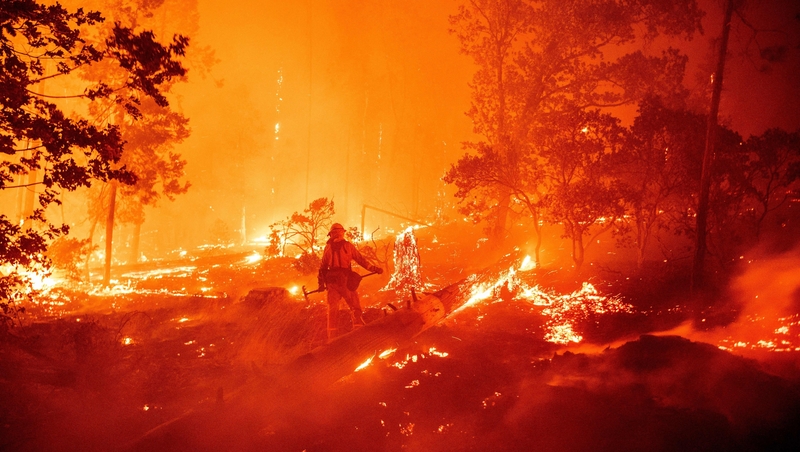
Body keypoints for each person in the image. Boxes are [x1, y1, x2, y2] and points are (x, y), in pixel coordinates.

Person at [318, 223, 383, 341]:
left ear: (331, 234)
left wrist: (321, 284)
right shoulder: (347, 246)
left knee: (332, 311)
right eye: (338, 232)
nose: (338, 234)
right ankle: (359, 335)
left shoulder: (328, 248)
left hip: (332, 284)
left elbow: (322, 268)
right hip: (345, 282)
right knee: (355, 307)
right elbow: (360, 260)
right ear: (341, 233)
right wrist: (373, 268)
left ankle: (331, 340)